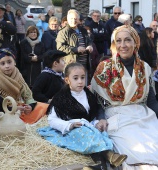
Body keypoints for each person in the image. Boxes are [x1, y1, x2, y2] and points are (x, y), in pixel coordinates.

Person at [91, 25, 158, 169]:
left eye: (127, 40)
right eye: (118, 41)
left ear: (135, 43)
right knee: (135, 150)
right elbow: (96, 101)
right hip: (117, 117)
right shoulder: (105, 67)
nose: (123, 45)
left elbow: (151, 99)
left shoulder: (144, 68)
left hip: (144, 116)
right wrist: (101, 117)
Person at [37, 62, 127, 170]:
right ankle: (107, 157)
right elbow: (52, 119)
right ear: (67, 80)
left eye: (82, 77)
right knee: (85, 133)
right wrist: (69, 125)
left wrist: (98, 121)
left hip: (88, 126)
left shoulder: (89, 95)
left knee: (101, 132)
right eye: (75, 78)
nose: (80, 82)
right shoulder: (61, 98)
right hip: (72, 128)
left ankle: (103, 162)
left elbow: (94, 111)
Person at [0, 48, 36, 117]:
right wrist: (13, 109)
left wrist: (30, 106)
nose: (7, 66)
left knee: (42, 107)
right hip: (0, 114)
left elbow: (28, 96)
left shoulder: (19, 77)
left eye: (9, 62)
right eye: (2, 63)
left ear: (15, 62)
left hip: (19, 109)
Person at [56, 9, 93, 84]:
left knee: (83, 86)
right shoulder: (63, 32)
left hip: (84, 64)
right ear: (68, 19)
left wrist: (90, 46)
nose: (73, 20)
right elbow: (60, 47)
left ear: (79, 20)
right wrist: (76, 49)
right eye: (71, 18)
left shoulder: (83, 30)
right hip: (71, 64)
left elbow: (89, 40)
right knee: (72, 87)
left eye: (75, 19)